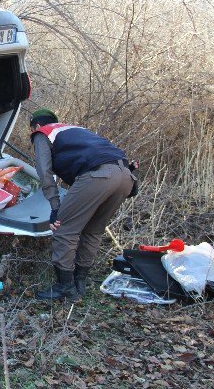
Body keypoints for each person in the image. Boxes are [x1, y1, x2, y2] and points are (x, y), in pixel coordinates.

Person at [29, 108, 135, 301]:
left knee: (64, 229)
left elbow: (44, 172)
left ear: (36, 125)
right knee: (93, 230)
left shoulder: (42, 133)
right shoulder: (74, 130)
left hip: (97, 176)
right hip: (125, 176)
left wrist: (55, 207)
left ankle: (65, 287)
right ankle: (80, 282)